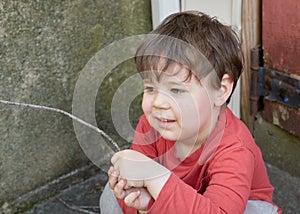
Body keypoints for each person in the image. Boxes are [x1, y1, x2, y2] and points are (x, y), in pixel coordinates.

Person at [100, 11, 281, 213]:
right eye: (150, 88)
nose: (158, 102)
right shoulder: (152, 125)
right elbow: (140, 193)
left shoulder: (235, 148)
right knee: (112, 193)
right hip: (185, 199)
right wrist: (143, 202)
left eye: (176, 90)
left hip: (235, 206)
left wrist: (155, 176)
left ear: (220, 91)